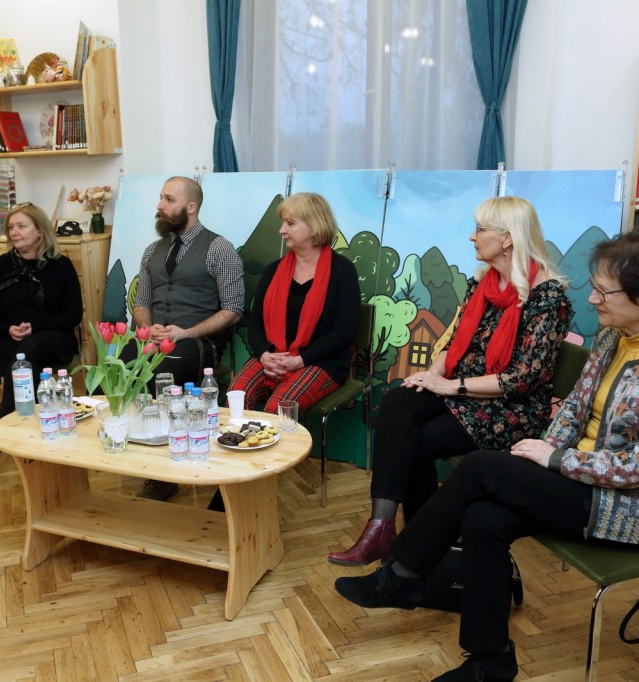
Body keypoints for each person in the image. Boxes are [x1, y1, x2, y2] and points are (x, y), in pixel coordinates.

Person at [334, 229, 639, 682]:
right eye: (594, 287)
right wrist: (543, 452)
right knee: (483, 518)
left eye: (604, 292)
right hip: (584, 481)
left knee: (479, 468)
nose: (593, 299)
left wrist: (558, 460)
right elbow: (575, 409)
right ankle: (490, 661)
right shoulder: (614, 336)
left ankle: (402, 576)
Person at [328, 196, 572, 566]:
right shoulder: (483, 284)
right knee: (398, 399)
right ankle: (382, 527)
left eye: (480, 229)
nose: (472, 237)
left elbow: (522, 380)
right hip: (463, 391)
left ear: (507, 238)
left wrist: (449, 387)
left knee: (417, 440)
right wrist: (432, 376)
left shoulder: (548, 297)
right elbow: (456, 343)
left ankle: (418, 543)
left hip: (510, 409)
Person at [130, 176, 244, 501]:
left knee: (163, 372)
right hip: (154, 340)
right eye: (160, 198)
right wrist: (148, 327)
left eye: (168, 200)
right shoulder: (152, 250)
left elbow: (233, 309)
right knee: (117, 367)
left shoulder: (219, 248)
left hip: (197, 343)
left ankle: (165, 472)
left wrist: (186, 332)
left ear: (191, 207)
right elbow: (141, 302)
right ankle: (134, 452)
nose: (159, 205)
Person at [230, 192, 360, 413]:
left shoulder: (342, 270)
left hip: (321, 361)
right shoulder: (274, 270)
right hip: (272, 357)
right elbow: (256, 321)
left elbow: (343, 331)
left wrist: (299, 360)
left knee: (279, 409)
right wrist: (264, 355)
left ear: (314, 227)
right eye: (283, 223)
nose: (282, 230)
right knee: (237, 396)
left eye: (290, 223)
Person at [0, 202, 83, 451]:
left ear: (39, 231)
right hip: (8, 339)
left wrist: (34, 327)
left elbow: (74, 314)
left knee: (28, 350)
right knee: (28, 364)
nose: (14, 232)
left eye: (21, 226)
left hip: (53, 338)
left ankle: (2, 424)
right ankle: (35, 432)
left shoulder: (61, 266)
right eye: (11, 227)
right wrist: (8, 329)